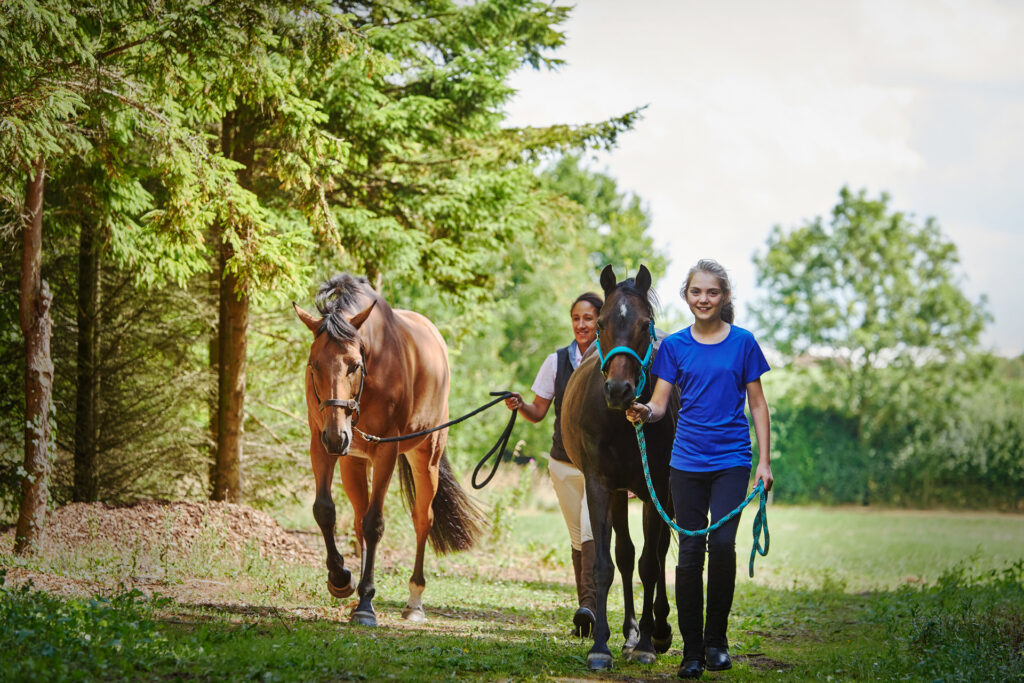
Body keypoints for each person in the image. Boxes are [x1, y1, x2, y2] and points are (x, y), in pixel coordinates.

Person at [625, 259, 773, 679]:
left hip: (731, 461)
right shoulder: (673, 346)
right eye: (696, 292)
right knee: (689, 552)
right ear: (686, 297)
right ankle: (691, 651)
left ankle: (716, 644)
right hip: (685, 462)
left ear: (723, 297)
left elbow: (758, 404)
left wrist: (763, 461)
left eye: (711, 292)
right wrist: (644, 411)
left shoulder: (743, 343)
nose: (703, 299)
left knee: (722, 547)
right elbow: (659, 403)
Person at [504, 291, 604, 638]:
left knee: (592, 534)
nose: (581, 324)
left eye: (588, 318)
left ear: (600, 322)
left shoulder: (613, 360)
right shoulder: (556, 361)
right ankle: (586, 613)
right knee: (578, 539)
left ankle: (591, 605)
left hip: (598, 468)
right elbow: (539, 412)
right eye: (576, 318)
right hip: (562, 463)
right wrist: (519, 405)